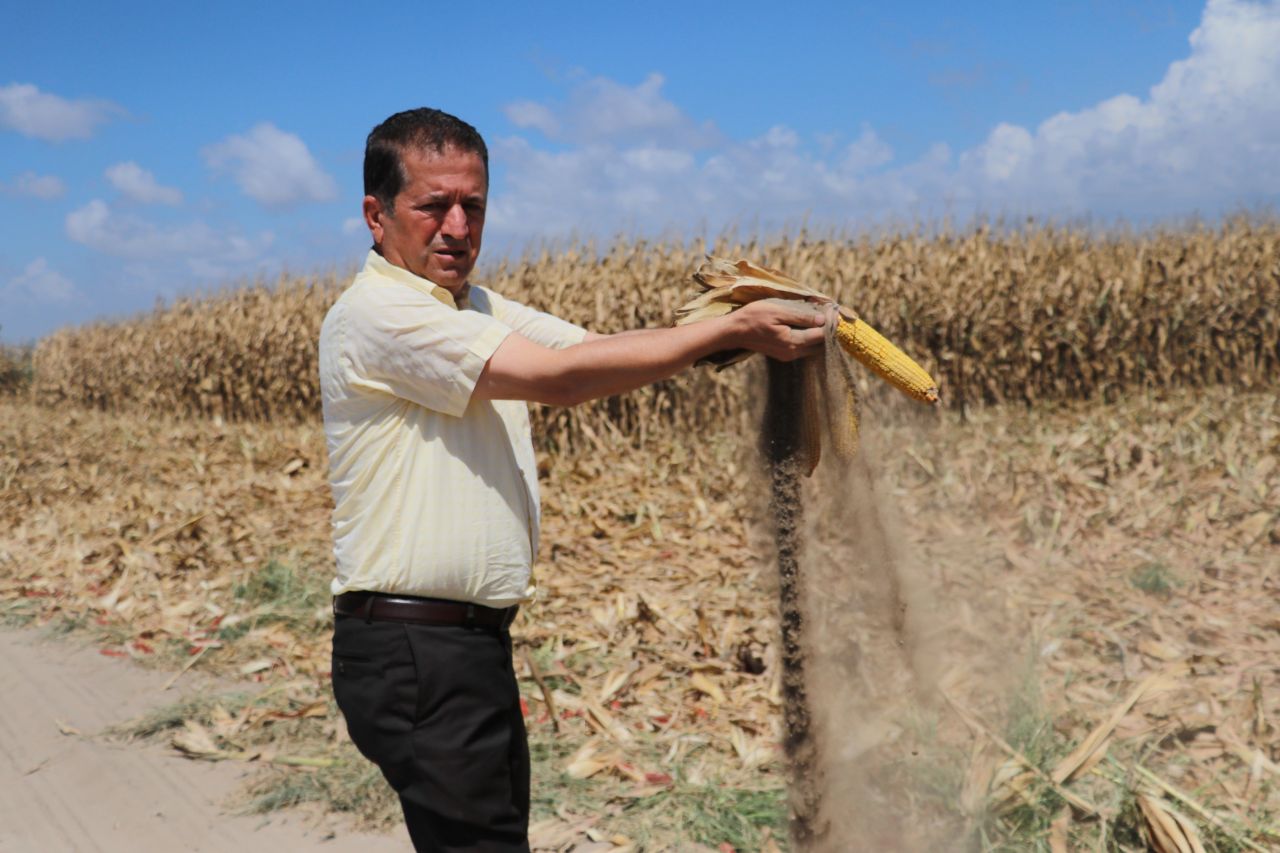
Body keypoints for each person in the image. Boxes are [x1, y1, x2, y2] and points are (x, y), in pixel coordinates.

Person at [320, 107, 826, 852]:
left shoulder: (473, 308)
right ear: (376, 214)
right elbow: (559, 379)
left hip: (464, 647)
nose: (458, 227)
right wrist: (723, 332)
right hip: (415, 649)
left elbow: (594, 351)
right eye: (434, 206)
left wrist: (735, 332)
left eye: (473, 206)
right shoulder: (380, 313)